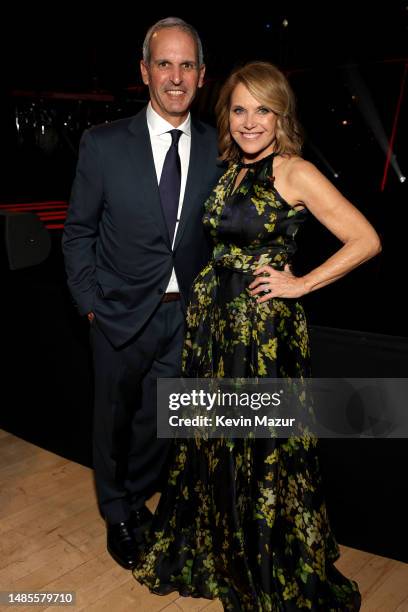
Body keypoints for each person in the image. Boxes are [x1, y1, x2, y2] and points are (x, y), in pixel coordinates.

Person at [133, 61, 381, 610]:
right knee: (215, 447)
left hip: (261, 334)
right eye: (240, 109)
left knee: (261, 451)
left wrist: (301, 284)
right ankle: (219, 551)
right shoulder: (232, 170)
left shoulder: (293, 171)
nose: (250, 122)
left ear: (281, 114)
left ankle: (263, 562)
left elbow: (365, 239)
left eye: (262, 110)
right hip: (216, 331)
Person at [62, 17, 223, 570]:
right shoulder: (103, 144)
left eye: (186, 65)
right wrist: (89, 302)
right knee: (111, 419)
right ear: (144, 72)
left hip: (185, 319)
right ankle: (117, 512)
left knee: (162, 420)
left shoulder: (217, 145)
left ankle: (136, 497)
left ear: (202, 76)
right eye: (164, 63)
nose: (174, 77)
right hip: (117, 314)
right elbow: (78, 231)